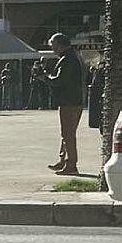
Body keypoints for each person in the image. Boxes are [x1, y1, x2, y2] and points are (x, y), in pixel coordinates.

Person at [45, 33, 83, 176]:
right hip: (72, 100)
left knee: (68, 134)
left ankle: (71, 164)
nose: (53, 50)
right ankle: (64, 160)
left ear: (60, 45)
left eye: (54, 46)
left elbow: (60, 80)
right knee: (66, 134)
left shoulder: (68, 59)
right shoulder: (71, 57)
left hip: (69, 102)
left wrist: (46, 78)